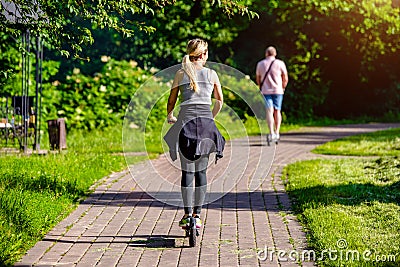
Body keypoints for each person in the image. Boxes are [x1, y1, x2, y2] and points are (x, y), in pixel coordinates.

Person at [164, 38, 225, 229]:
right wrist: (211, 118)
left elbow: (171, 100)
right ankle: (198, 216)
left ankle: (187, 214)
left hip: (185, 125)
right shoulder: (212, 74)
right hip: (206, 125)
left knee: (187, 172)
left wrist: (170, 116)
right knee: (202, 172)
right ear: (204, 54)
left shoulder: (181, 73)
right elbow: (219, 101)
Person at [256, 46, 288, 142]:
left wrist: (260, 86)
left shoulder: (260, 64)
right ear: (275, 54)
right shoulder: (280, 63)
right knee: (277, 111)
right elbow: (285, 77)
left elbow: (258, 78)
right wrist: (283, 87)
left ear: (266, 53)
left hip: (265, 91)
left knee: (269, 111)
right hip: (278, 91)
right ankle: (277, 132)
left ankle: (271, 133)